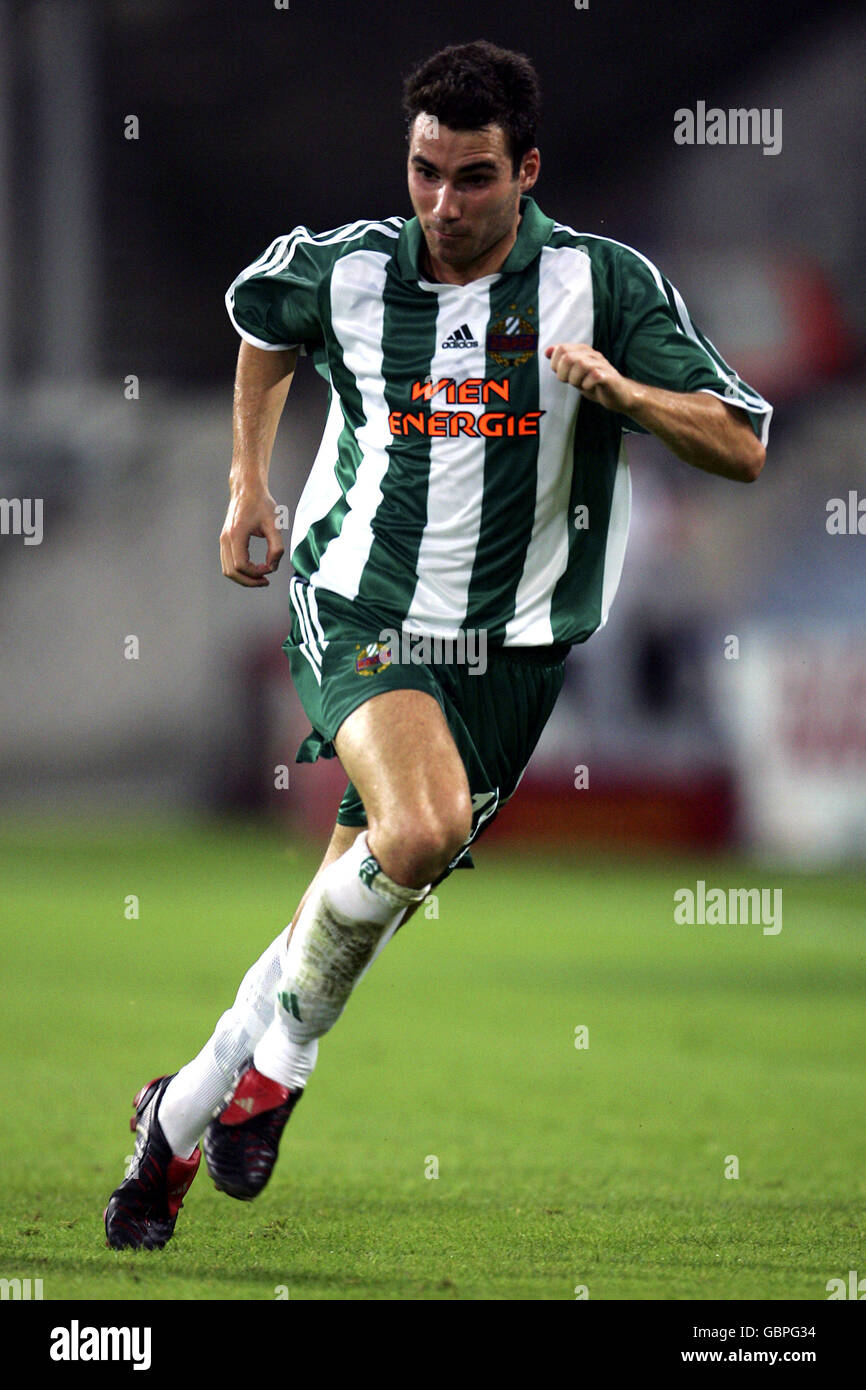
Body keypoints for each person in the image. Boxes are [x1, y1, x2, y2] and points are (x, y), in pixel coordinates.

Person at [104, 39, 771, 1250]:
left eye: (471, 179)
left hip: (515, 651)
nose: (441, 206)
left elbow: (737, 441)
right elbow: (264, 324)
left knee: (347, 902)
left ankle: (179, 1115)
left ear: (526, 170)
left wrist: (623, 397)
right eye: (423, 173)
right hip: (358, 602)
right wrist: (247, 482)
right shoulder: (350, 268)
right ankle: (282, 1071)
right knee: (415, 831)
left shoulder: (601, 285)